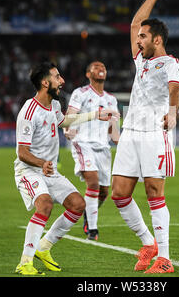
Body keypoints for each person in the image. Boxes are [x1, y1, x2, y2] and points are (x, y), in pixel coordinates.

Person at [14, 61, 118, 275]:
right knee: (44, 205)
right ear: (45, 82)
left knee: (78, 205)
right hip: (29, 170)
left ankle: (44, 247)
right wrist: (42, 163)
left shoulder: (52, 105)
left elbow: (64, 122)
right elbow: (22, 153)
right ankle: (25, 261)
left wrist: (94, 115)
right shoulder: (29, 111)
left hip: (49, 171)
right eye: (57, 77)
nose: (62, 81)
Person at [111, 0, 179, 274]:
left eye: (144, 37)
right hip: (130, 132)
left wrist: (171, 114)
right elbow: (133, 25)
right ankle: (148, 242)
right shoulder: (141, 62)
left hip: (156, 133)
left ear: (157, 39)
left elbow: (174, 90)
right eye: (139, 37)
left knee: (154, 191)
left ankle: (164, 258)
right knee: (119, 193)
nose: (138, 40)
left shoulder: (172, 63)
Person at [63, 61, 119, 241]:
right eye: (95, 66)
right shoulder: (80, 93)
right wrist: (67, 129)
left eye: (103, 66)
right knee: (93, 183)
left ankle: (89, 213)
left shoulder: (112, 99)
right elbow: (70, 116)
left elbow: (114, 130)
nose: (100, 68)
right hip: (83, 143)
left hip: (103, 147)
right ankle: (93, 229)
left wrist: (124, 144)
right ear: (88, 74)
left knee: (103, 192)